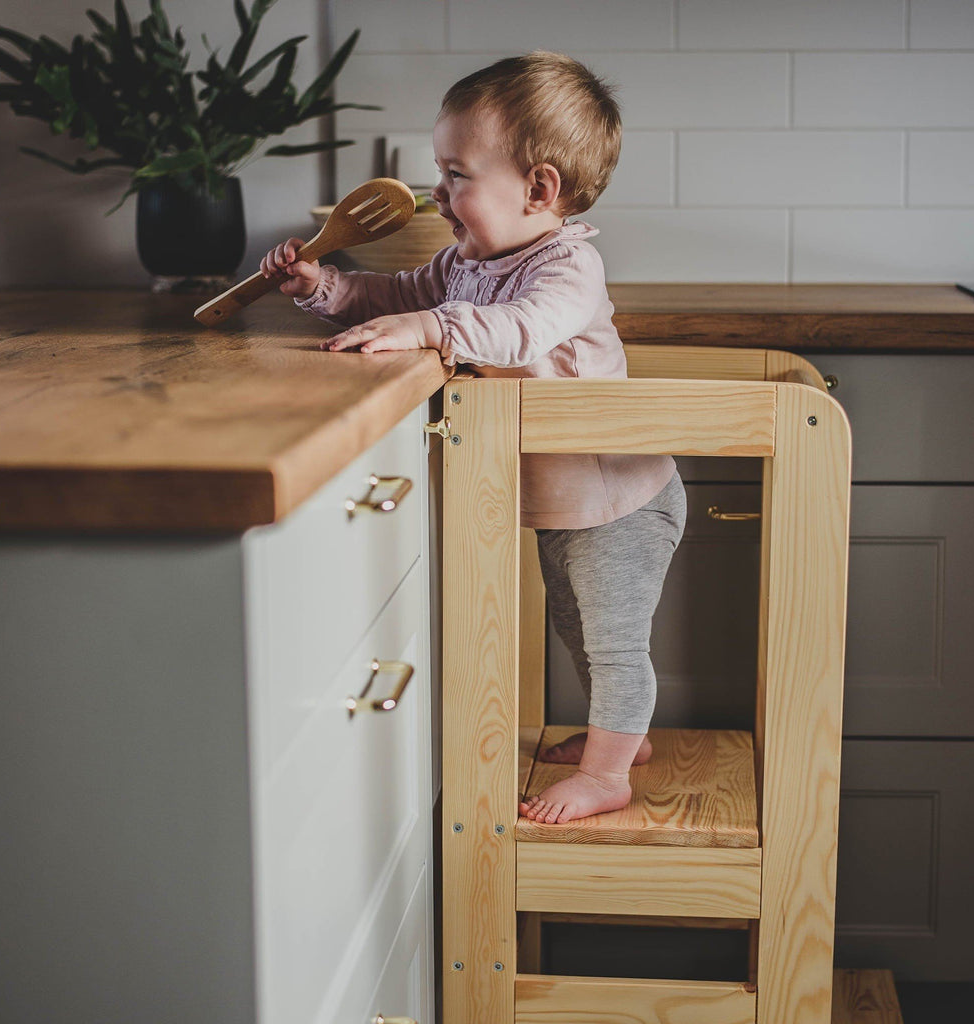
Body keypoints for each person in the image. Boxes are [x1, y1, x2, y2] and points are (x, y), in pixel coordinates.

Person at [259, 51, 686, 825]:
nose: (436, 192)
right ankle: (622, 739)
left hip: (620, 495)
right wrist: (322, 286)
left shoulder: (567, 267)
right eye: (439, 170)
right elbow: (391, 294)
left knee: (615, 641)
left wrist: (430, 325)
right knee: (576, 627)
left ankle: (609, 775)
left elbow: (521, 331)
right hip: (563, 499)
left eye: (458, 174)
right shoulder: (465, 261)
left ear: (540, 188)